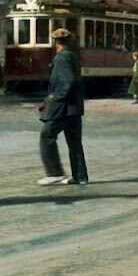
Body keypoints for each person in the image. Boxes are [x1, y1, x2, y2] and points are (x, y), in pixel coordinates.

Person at [37, 28, 88, 186]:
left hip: (62, 107)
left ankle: (54, 172)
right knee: (74, 141)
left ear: (56, 42)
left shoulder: (62, 57)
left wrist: (51, 100)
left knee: (47, 136)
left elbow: (67, 82)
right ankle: (80, 177)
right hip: (74, 106)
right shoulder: (72, 55)